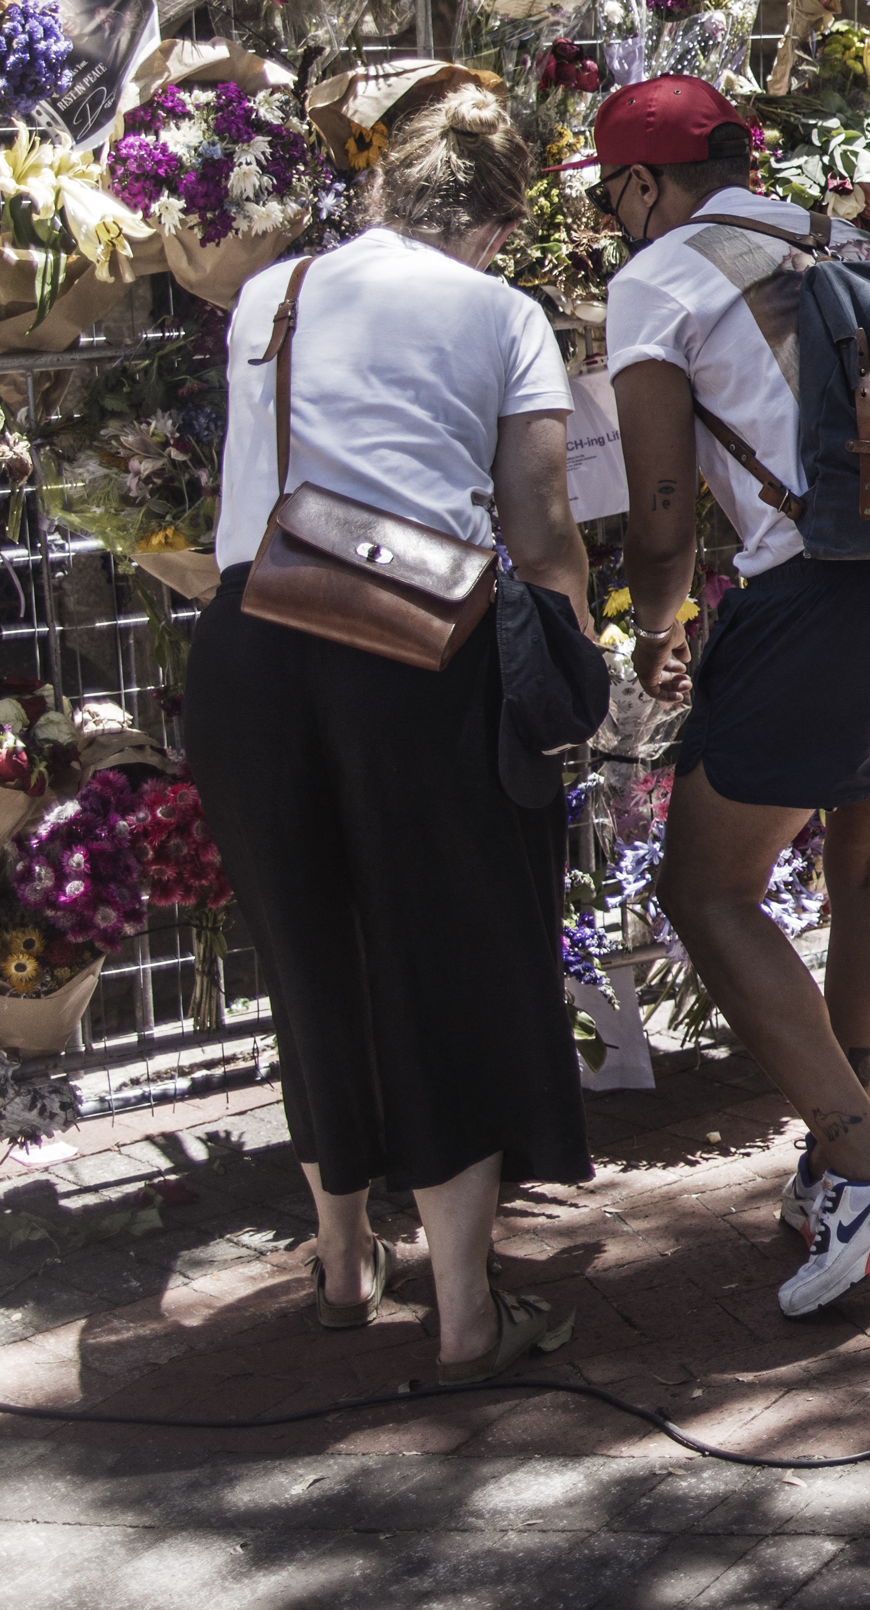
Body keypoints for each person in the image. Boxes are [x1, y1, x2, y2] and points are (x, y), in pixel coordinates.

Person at [188, 79, 592, 1385]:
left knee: (310, 950)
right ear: (488, 222)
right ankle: (468, 1309)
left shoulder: (275, 292)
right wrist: (571, 659)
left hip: (252, 634)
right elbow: (538, 529)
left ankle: (346, 1261)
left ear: (382, 191)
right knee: (441, 957)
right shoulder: (504, 311)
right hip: (413, 651)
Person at [595, 76, 870, 1316]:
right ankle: (840, 1160)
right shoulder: (836, 231)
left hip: (819, 594)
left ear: (644, 183)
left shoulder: (655, 278)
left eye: (615, 191)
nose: (614, 215)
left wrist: (652, 633)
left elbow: (662, 516)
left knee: (705, 884)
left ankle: (868, 1164)